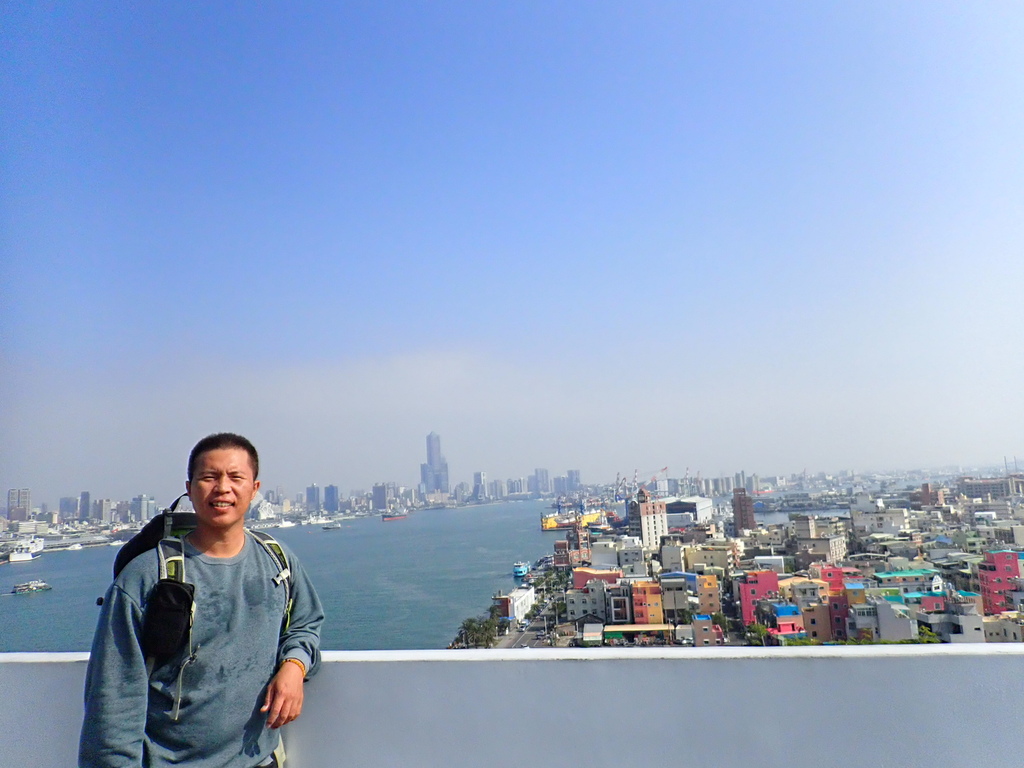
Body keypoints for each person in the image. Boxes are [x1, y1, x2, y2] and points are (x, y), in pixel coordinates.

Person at [80, 433, 324, 768]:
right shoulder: (147, 576)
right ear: (190, 488)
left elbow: (306, 623)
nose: (223, 488)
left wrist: (295, 665)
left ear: (254, 489)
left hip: (259, 760)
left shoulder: (276, 560)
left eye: (236, 477)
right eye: (209, 477)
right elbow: (114, 696)